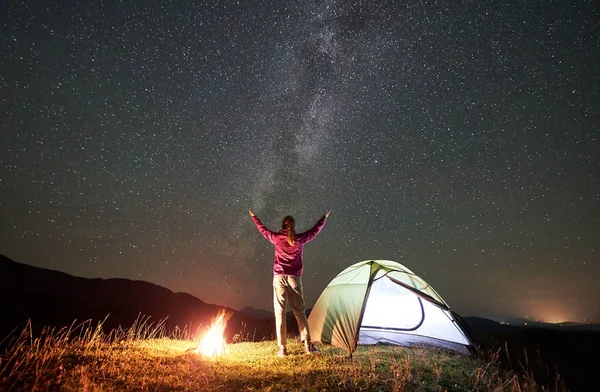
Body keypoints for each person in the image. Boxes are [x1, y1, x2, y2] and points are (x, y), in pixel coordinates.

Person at [249, 208, 330, 357]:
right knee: (299, 311)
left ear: (283, 225)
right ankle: (307, 346)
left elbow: (263, 230)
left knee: (279, 312)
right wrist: (324, 218)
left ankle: (282, 349)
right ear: (293, 226)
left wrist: (254, 217)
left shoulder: (276, 238)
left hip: (278, 277)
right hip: (294, 278)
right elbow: (314, 231)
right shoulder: (299, 239)